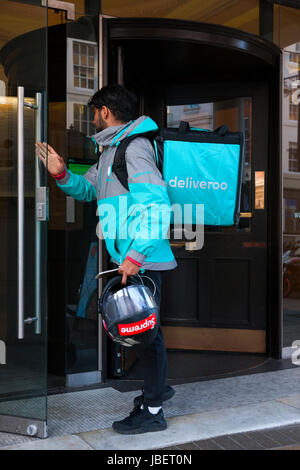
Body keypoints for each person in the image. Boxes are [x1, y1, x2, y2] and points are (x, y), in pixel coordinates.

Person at [36, 84, 177, 435]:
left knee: (145, 334)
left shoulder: (135, 148)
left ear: (105, 112)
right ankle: (156, 393)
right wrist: (60, 174)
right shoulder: (110, 152)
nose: (92, 119)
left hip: (141, 261)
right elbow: (88, 190)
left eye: (93, 112)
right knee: (145, 334)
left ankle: (154, 408)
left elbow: (158, 204)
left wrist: (135, 255)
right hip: (130, 259)